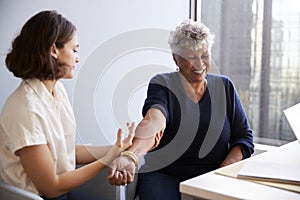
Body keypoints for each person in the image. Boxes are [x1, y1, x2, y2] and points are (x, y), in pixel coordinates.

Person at [107, 19, 254, 200]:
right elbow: (154, 121)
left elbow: (244, 138)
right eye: (191, 57)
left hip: (212, 175)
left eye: (204, 55)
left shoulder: (225, 87)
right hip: (165, 174)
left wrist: (222, 173)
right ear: (175, 58)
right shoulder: (163, 83)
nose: (200, 64)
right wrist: (131, 156)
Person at [0, 10, 135, 200]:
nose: (77, 58)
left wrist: (118, 148)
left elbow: (66, 151)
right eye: (74, 50)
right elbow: (52, 187)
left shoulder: (56, 91)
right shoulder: (24, 110)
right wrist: (107, 159)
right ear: (54, 50)